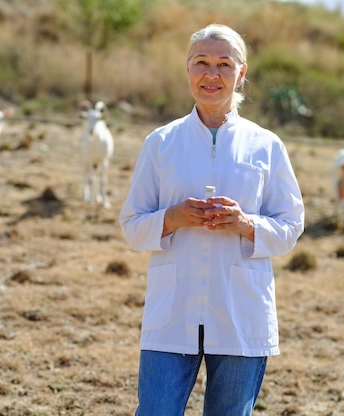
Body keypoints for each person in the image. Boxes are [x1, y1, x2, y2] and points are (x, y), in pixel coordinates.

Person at [119, 23, 305, 416]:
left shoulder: (266, 146)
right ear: (187, 69)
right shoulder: (161, 143)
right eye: (202, 62)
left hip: (240, 313)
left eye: (224, 64)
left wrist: (246, 223)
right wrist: (171, 218)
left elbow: (290, 225)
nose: (212, 74)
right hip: (172, 314)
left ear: (241, 73)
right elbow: (133, 225)